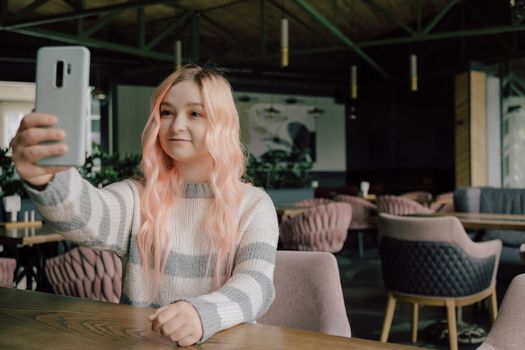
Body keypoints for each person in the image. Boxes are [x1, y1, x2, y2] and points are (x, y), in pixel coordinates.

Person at [10, 65, 279, 346]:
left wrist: (201, 315)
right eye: (167, 112)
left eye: (195, 114)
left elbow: (256, 285)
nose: (176, 126)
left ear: (221, 124)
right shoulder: (137, 197)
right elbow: (85, 215)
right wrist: (48, 176)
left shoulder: (254, 205)